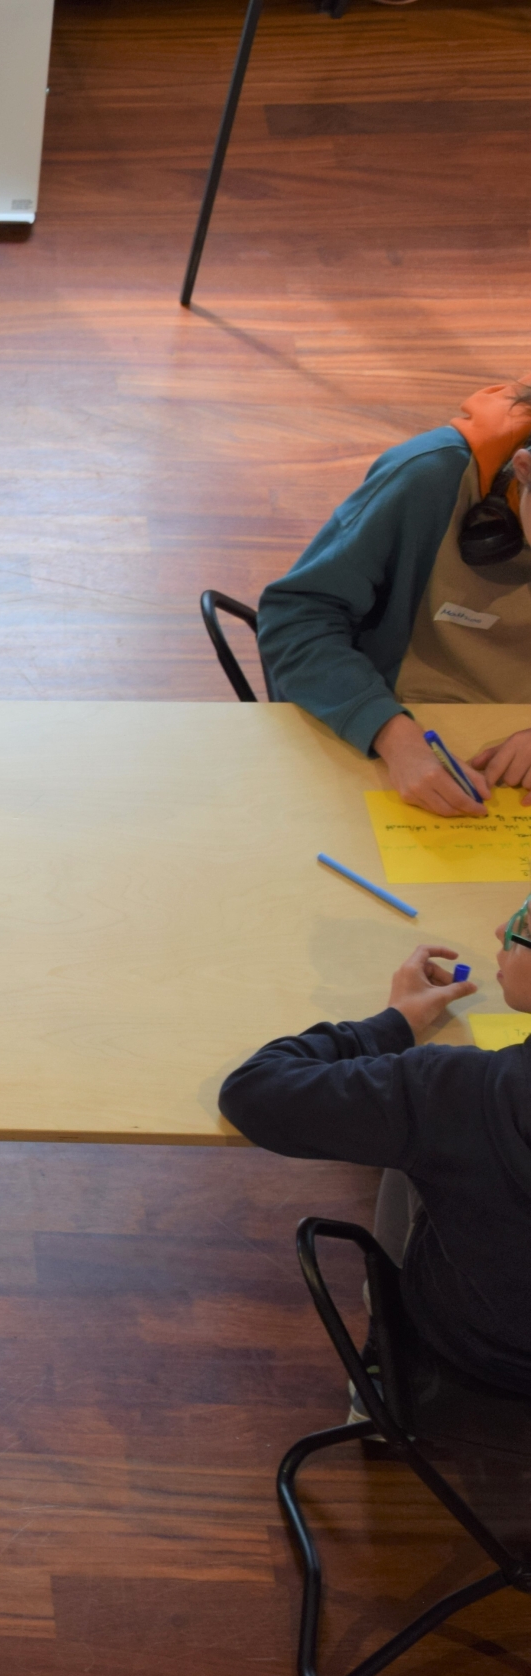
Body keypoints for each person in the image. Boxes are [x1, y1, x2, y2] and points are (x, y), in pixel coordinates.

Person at [218, 922, 531, 1399]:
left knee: (411, 1152)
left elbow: (254, 1091)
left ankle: (385, 1372)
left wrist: (394, 1023)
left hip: (483, 1349)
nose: (501, 929)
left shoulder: (453, 1091)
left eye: (524, 926)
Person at [255, 372, 531, 817]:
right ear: (523, 469)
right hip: (394, 728)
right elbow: (297, 618)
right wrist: (390, 734)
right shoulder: (428, 477)